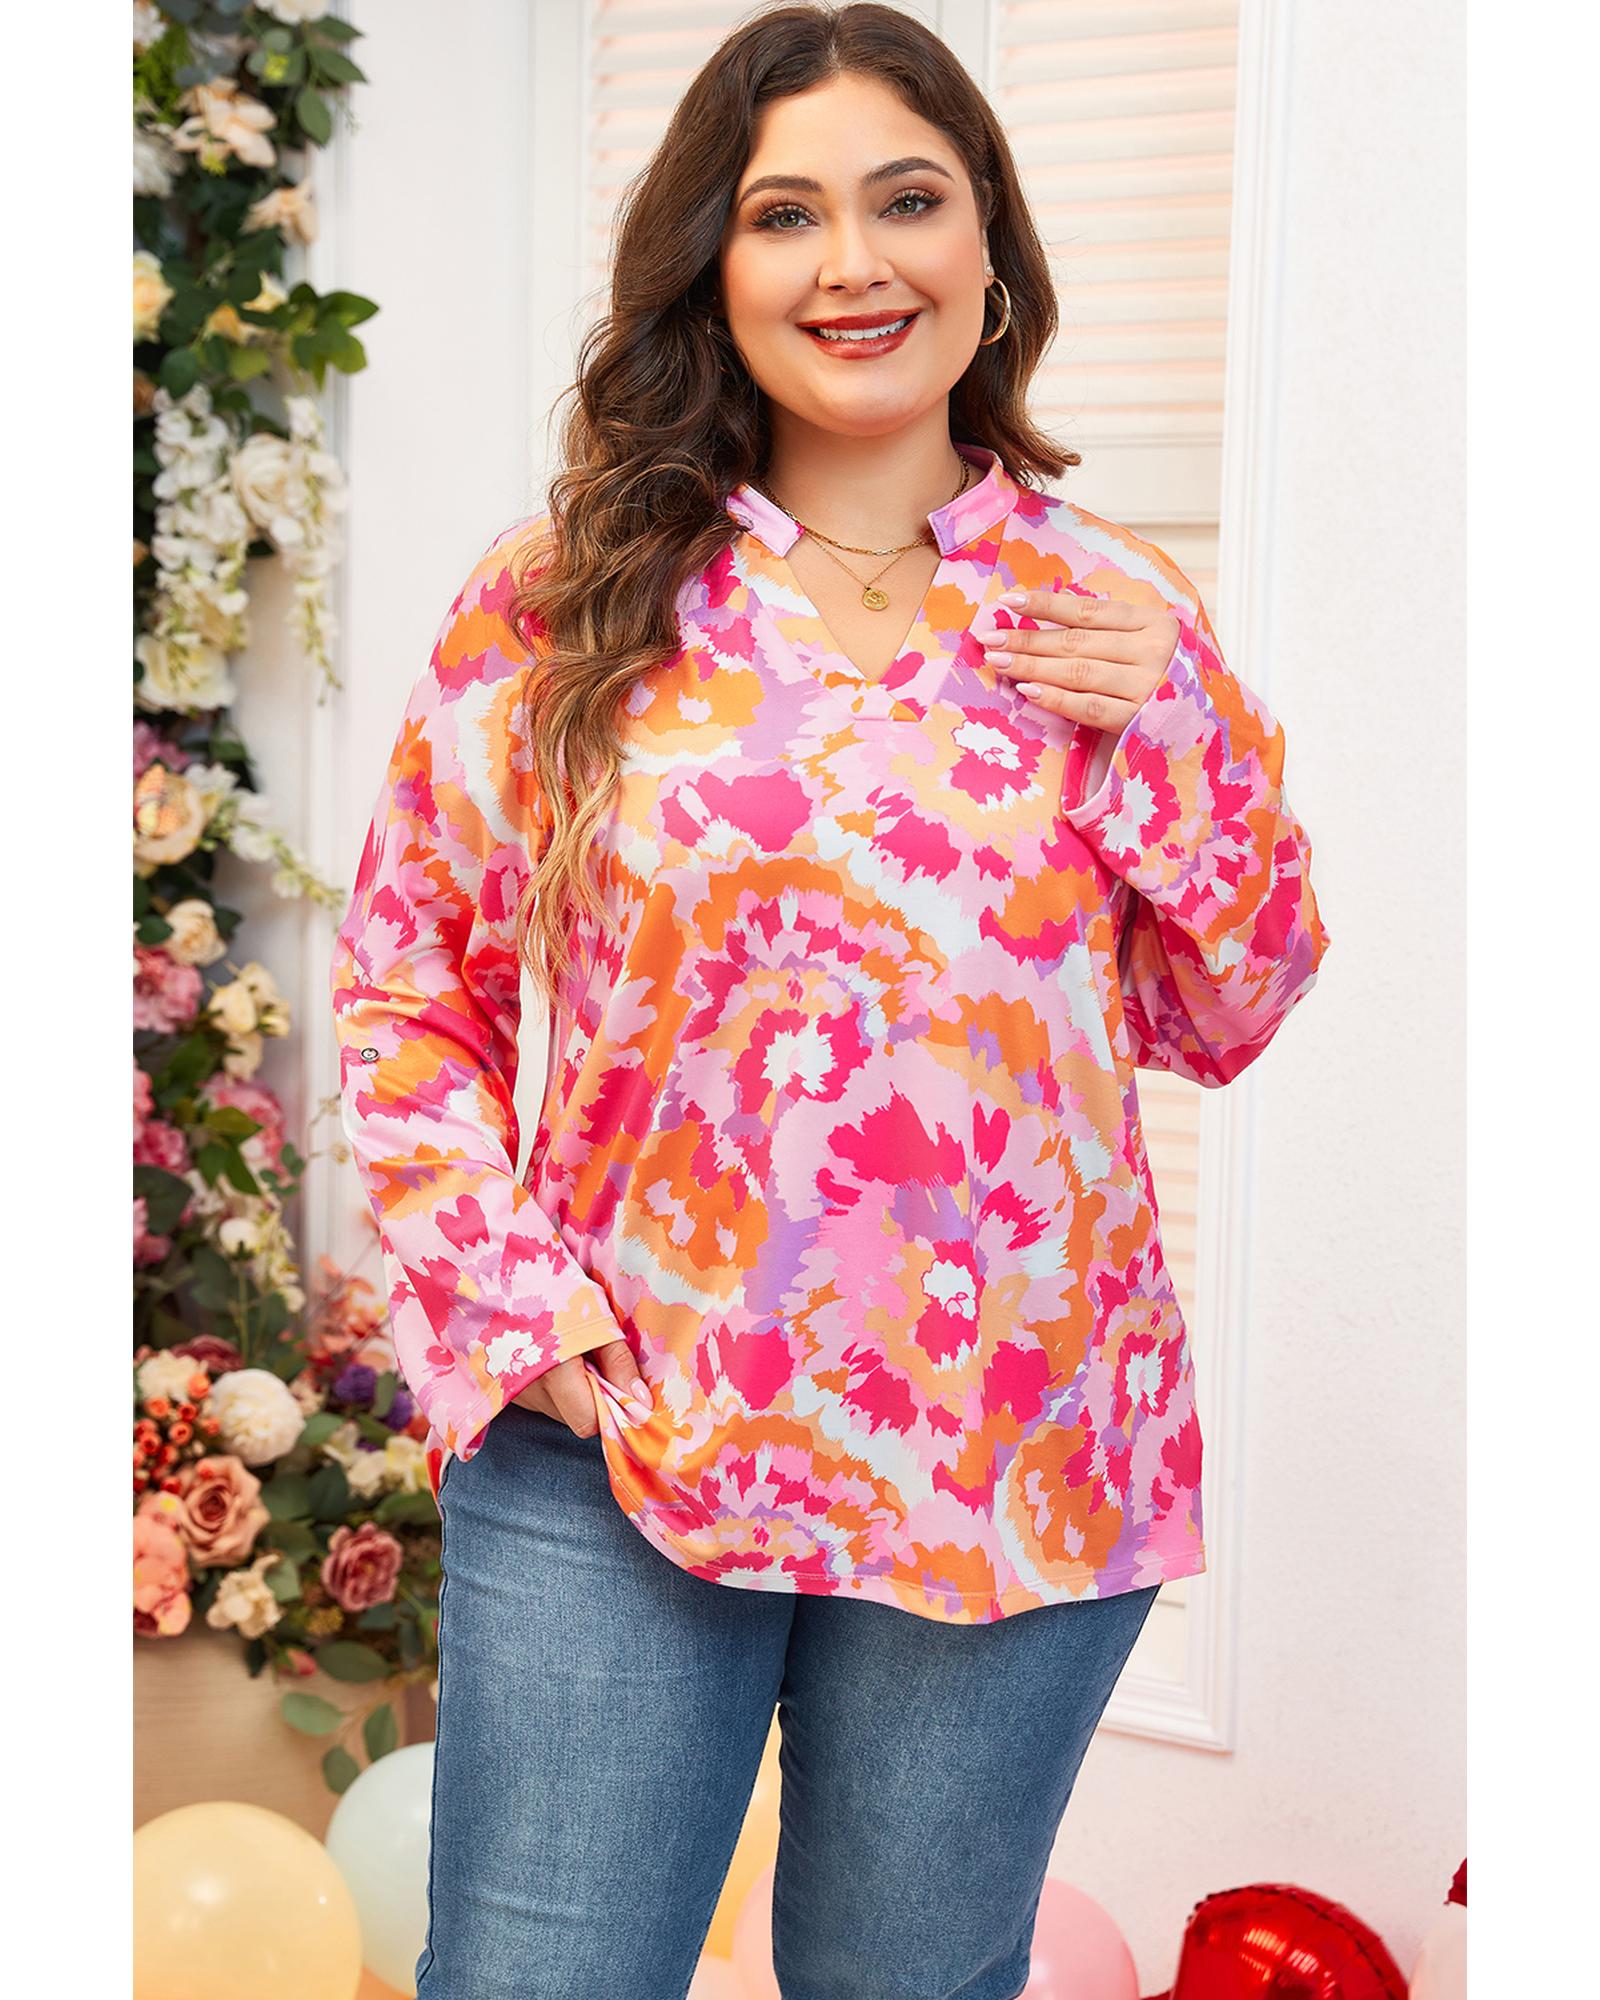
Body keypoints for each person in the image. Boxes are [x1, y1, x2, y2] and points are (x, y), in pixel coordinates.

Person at [328, 7, 1331, 1996]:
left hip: (1016, 1440)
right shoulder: (565, 597)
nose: (851, 263)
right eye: (784, 213)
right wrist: (514, 1314)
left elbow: (1230, 1009)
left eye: (906, 200)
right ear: (713, 266)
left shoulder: (1106, 607)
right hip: (627, 1434)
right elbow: (407, 984)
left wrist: (1174, 741)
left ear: (989, 245)